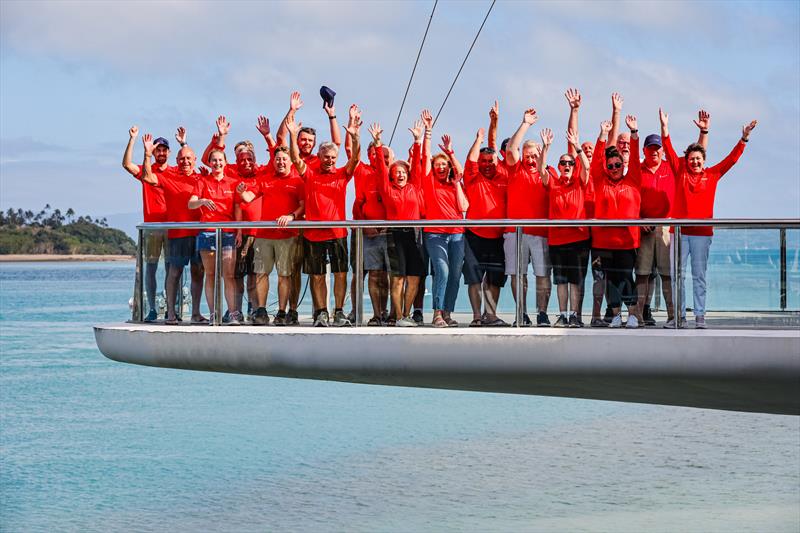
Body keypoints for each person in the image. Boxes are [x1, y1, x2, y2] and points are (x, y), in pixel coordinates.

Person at [660, 108, 757, 328]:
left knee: (699, 276)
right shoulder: (681, 172)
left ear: (704, 160)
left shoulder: (712, 175)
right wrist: (665, 129)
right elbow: (668, 148)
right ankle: (679, 318)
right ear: (687, 161)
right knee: (677, 276)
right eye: (691, 159)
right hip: (680, 232)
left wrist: (744, 138)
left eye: (698, 159)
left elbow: (731, 160)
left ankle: (700, 316)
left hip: (702, 234)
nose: (694, 162)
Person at [286, 110, 361, 327]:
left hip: (337, 232)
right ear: (319, 157)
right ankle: (321, 312)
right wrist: (292, 135)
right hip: (314, 233)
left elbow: (355, 158)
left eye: (333, 158)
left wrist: (355, 137)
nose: (329, 161)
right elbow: (294, 158)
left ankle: (338, 311)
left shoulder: (341, 174)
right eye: (326, 157)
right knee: (317, 276)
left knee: (340, 273)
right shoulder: (309, 173)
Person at [636, 110, 709, 326]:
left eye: (658, 148)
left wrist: (703, 131)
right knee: (642, 273)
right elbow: (631, 198)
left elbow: (697, 155)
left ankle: (673, 315)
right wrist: (640, 219)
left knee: (668, 274)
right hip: (644, 227)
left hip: (668, 227)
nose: (655, 152)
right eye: (651, 149)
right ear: (645, 150)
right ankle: (639, 315)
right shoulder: (637, 169)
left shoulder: (672, 167)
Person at [201, 115, 277, 322]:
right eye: (241, 158)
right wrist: (222, 137)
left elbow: (276, 155)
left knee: (256, 274)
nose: (245, 162)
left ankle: (254, 309)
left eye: (249, 158)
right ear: (235, 160)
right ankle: (236, 310)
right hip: (235, 234)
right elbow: (210, 158)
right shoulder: (231, 172)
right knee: (236, 275)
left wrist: (268, 136)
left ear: (254, 159)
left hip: (258, 233)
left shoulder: (262, 171)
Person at [140, 134, 206, 326]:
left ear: (193, 160)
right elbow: (147, 177)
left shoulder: (201, 178)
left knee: (198, 273)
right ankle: (170, 313)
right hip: (177, 234)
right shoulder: (169, 176)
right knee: (174, 273)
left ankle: (195, 313)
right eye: (182, 159)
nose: (185, 162)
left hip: (198, 233)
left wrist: (185, 142)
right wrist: (147, 155)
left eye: (189, 158)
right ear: (176, 161)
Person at [237, 145, 305, 326]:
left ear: (290, 161)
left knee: (284, 275)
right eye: (278, 159)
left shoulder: (298, 180)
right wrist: (241, 191)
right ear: (273, 162)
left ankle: (282, 312)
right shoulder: (264, 179)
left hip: (287, 235)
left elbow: (303, 205)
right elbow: (249, 197)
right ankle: (261, 310)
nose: (281, 162)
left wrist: (291, 216)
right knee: (261, 273)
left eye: (284, 159)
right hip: (264, 235)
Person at [370, 122, 426, 326]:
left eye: (403, 171)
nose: (400, 174)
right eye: (397, 172)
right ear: (392, 175)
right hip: (395, 235)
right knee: (398, 278)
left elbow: (418, 166)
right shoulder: (387, 190)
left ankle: (407, 314)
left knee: (414, 278)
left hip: (413, 234)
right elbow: (380, 171)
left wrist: (418, 141)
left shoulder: (414, 186)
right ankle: (399, 316)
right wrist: (378, 144)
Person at [590, 117, 643, 329]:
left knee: (626, 277)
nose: (614, 168)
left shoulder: (633, 180)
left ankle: (632, 314)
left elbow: (637, 155)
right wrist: (602, 135)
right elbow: (595, 161)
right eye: (610, 165)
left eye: (617, 165)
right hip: (603, 241)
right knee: (610, 279)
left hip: (627, 241)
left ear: (623, 165)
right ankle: (614, 315)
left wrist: (634, 133)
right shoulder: (600, 180)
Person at [417, 117, 469, 328]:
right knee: (443, 270)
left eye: (444, 165)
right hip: (435, 233)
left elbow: (464, 207)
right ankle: (437, 313)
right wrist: (428, 132)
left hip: (457, 233)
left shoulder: (454, 184)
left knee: (455, 274)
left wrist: (451, 154)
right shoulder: (429, 183)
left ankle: (447, 312)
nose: (440, 167)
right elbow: (426, 156)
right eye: (437, 165)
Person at [122, 127, 178, 321]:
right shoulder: (148, 170)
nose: (161, 153)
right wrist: (133, 139)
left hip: (172, 227)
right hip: (152, 228)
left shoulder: (176, 171)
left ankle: (172, 308)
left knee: (173, 269)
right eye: (158, 150)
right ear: (153, 152)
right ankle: (153, 308)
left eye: (164, 150)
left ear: (169, 152)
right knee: (151, 268)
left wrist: (183, 143)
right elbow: (127, 164)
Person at [503, 107, 552, 327]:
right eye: (528, 155)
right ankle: (520, 313)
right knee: (518, 275)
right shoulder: (515, 170)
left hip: (540, 232)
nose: (531, 159)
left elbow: (545, 178)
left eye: (534, 155)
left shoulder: (547, 171)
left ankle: (542, 313)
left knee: (542, 275)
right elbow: (512, 148)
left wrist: (545, 152)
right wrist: (525, 124)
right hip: (516, 232)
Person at [539, 128, 591, 327]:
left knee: (576, 280)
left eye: (570, 163)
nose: (567, 165)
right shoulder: (553, 183)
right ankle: (563, 315)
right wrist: (546, 147)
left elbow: (586, 168)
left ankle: (575, 316)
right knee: (561, 281)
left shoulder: (580, 182)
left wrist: (578, 148)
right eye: (563, 163)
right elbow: (542, 169)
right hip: (558, 240)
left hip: (578, 240)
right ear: (559, 167)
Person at [462, 123, 511, 326]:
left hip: (498, 237)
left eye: (490, 160)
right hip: (474, 236)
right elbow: (471, 159)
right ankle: (476, 316)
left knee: (494, 279)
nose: (487, 164)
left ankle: (490, 315)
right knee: (474, 279)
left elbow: (499, 149)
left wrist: (494, 124)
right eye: (484, 161)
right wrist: (478, 140)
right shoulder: (472, 177)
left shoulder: (504, 176)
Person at [347, 106, 392, 326]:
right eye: (376, 153)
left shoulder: (391, 174)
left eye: (384, 155)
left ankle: (381, 313)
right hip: (362, 231)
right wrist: (352, 126)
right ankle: (355, 311)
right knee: (360, 273)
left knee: (381, 276)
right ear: (369, 154)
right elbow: (350, 152)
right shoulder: (362, 170)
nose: (380, 157)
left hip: (385, 234)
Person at [187, 148, 241, 324]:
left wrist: (239, 230)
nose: (217, 163)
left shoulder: (233, 183)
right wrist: (202, 201)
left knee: (229, 275)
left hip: (227, 233)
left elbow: (238, 208)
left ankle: (232, 313)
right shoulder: (202, 182)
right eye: (214, 161)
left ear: (225, 162)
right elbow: (191, 204)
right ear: (209, 163)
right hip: (207, 233)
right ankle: (213, 314)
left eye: (220, 160)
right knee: (210, 274)